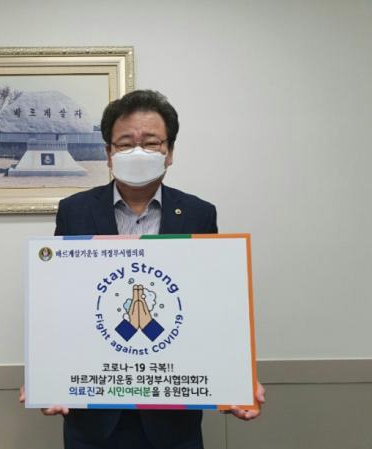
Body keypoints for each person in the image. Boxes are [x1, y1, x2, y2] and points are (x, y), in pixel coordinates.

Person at [20, 90, 265, 449]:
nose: (138, 152)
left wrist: (235, 379)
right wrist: (48, 376)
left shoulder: (198, 213)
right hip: (93, 418)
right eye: (125, 143)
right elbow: (62, 302)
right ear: (109, 153)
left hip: (172, 419)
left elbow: (210, 306)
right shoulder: (75, 210)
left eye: (151, 143)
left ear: (170, 152)